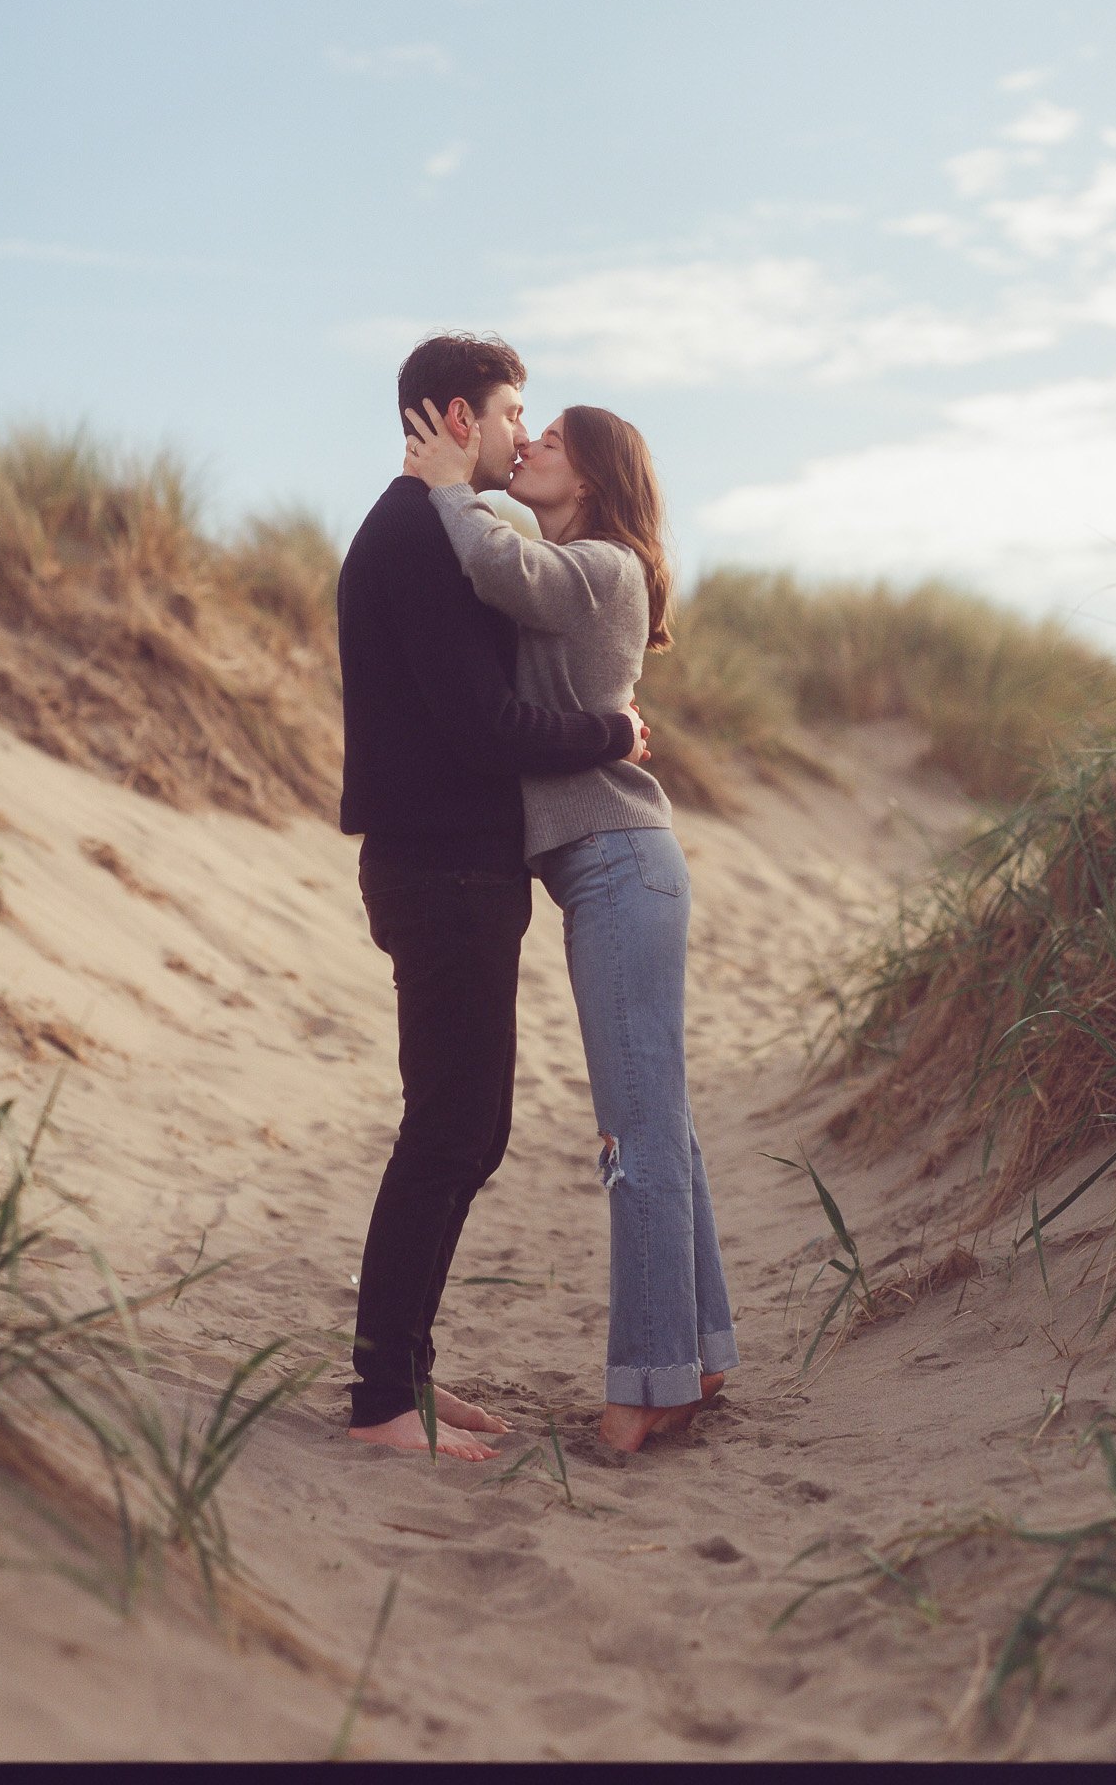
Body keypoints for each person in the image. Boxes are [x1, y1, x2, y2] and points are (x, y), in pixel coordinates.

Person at [401, 393, 739, 1454]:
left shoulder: (604, 567)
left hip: (619, 865)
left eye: (548, 440)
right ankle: (701, 1347)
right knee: (659, 1118)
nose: (529, 443)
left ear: (588, 476)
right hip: (604, 869)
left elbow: (502, 568)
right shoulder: (578, 570)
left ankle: (650, 1382)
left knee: (633, 1132)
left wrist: (449, 485)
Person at [337, 331, 648, 1461]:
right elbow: (486, 728)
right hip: (442, 866)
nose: (524, 433)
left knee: (465, 1125)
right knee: (454, 1127)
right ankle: (380, 1398)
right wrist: (614, 731)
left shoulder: (424, 528)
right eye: (514, 412)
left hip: (448, 862)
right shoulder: (417, 534)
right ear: (460, 418)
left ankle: (405, 1375)